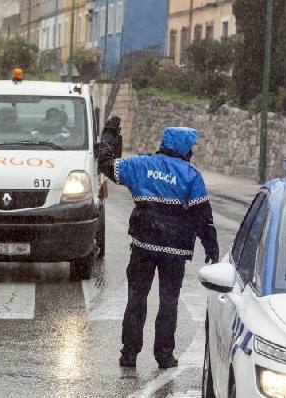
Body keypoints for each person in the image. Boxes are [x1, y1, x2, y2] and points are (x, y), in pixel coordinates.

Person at [98, 116, 219, 369]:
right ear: (185, 148)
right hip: (175, 252)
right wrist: (211, 247)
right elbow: (202, 217)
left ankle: (129, 354)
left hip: (143, 246)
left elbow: (106, 163)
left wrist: (109, 134)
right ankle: (164, 356)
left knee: (136, 299)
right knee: (168, 301)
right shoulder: (191, 176)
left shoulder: (140, 165)